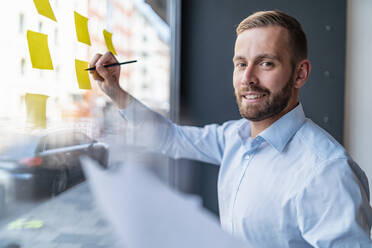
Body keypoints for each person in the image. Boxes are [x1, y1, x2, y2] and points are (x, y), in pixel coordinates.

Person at [89, 10, 372, 247]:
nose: (247, 78)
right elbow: (171, 138)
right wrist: (116, 91)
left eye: (266, 63)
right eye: (241, 64)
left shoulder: (327, 172)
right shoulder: (234, 137)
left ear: (300, 74)